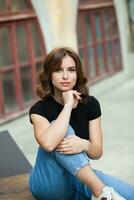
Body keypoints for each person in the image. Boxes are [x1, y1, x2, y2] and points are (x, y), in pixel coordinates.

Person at [29, 47, 134, 200]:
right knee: (60, 128)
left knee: (130, 194)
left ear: (77, 74)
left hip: (78, 178)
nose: (65, 76)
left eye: (71, 70)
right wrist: (67, 106)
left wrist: (84, 144)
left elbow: (97, 152)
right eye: (58, 70)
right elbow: (48, 144)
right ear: (49, 75)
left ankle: (102, 192)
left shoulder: (90, 104)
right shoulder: (39, 109)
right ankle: (101, 192)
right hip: (49, 184)